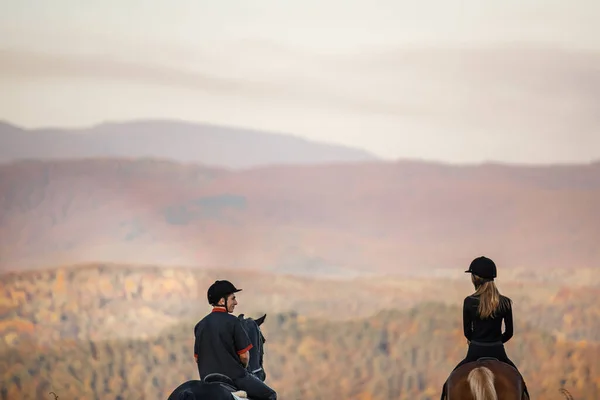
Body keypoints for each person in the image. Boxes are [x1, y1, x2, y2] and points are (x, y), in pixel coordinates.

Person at [441, 256, 530, 399]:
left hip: (474, 350)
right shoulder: (505, 302)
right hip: (498, 350)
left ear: (475, 278)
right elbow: (509, 332)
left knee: (448, 385)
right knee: (521, 386)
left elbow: (467, 332)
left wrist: (476, 340)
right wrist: (496, 341)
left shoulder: (469, 302)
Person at [194, 280, 277, 400]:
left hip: (207, 379)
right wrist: (243, 367)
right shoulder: (234, 322)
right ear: (222, 301)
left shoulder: (200, 325)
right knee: (270, 395)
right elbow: (244, 356)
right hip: (234, 378)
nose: (236, 302)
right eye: (233, 299)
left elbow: (197, 358)